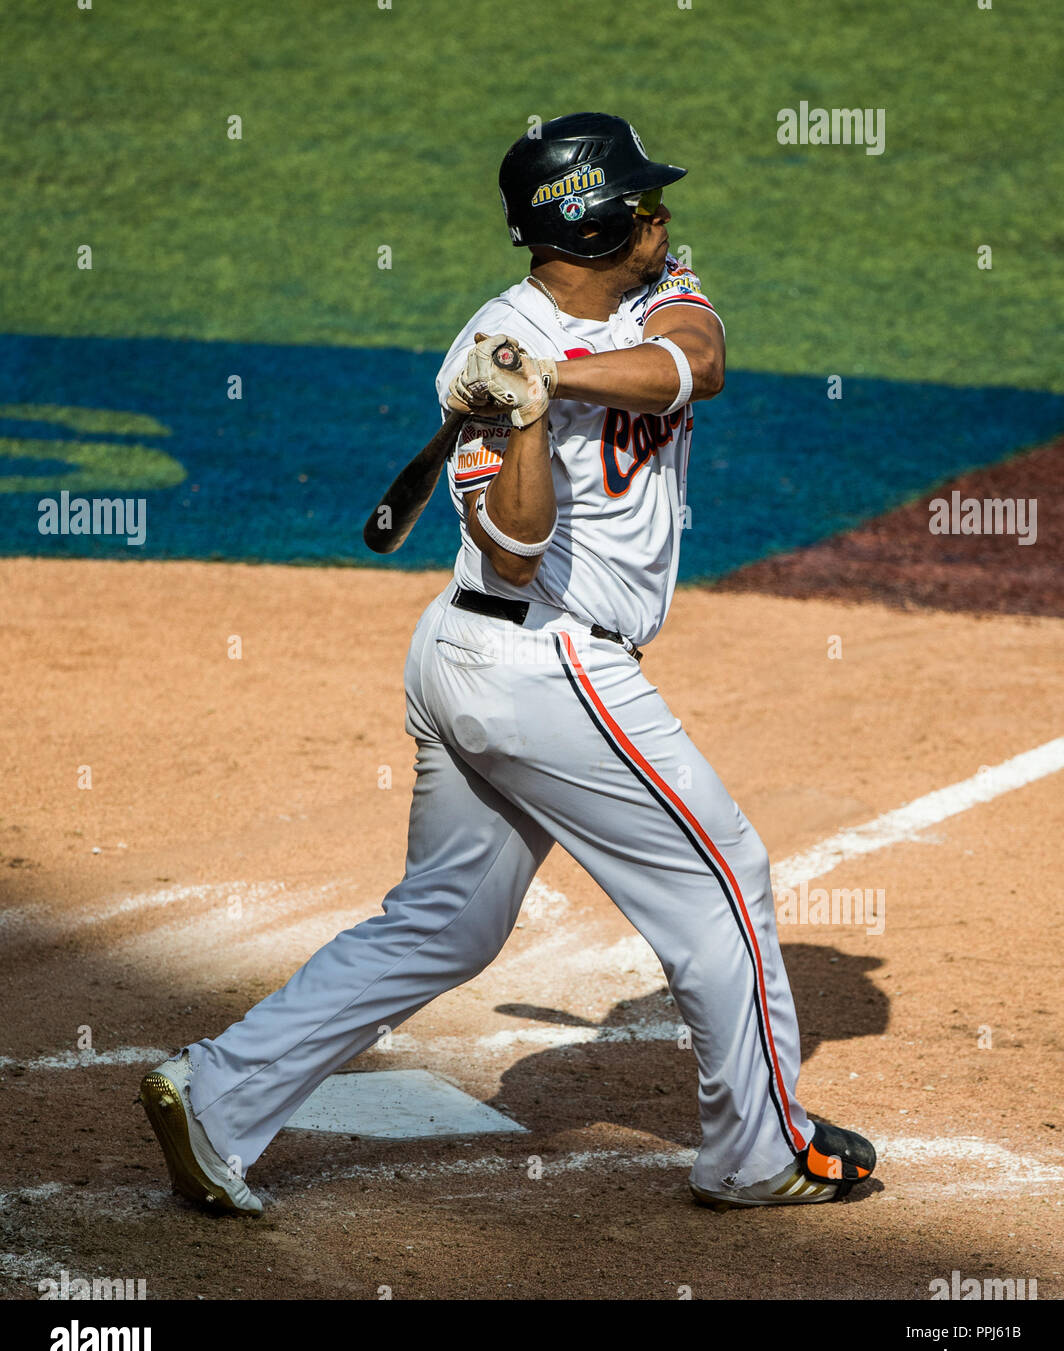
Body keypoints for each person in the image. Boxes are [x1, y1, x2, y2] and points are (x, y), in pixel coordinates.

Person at [139, 112, 875, 1215]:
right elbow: (518, 547)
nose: (663, 216)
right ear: (590, 218)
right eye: (642, 201)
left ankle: (221, 1091)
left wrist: (561, 374)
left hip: (492, 663)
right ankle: (760, 1152)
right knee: (727, 882)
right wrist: (523, 414)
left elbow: (700, 358)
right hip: (540, 662)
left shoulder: (633, 297)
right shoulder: (489, 354)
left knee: (447, 921)